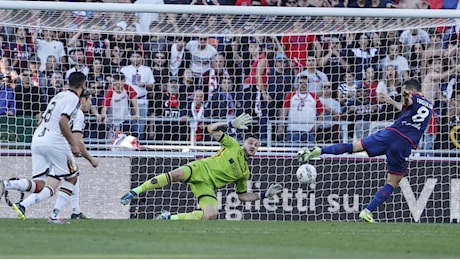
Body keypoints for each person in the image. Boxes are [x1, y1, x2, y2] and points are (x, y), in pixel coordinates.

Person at [298, 78, 433, 223]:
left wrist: (406, 97)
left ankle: (320, 150)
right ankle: (367, 211)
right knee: (393, 181)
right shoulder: (430, 106)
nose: (403, 93)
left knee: (354, 147)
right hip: (404, 143)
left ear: (411, 90)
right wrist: (394, 101)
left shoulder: (412, 97)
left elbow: (408, 103)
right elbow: (408, 109)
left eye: (404, 91)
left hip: (389, 134)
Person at [120, 113, 283, 220]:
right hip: (200, 168)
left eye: (256, 145)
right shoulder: (232, 144)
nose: (253, 146)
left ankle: (169, 218)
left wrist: (263, 195)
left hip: (208, 186)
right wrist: (230, 124)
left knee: (211, 215)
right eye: (250, 142)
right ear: (244, 142)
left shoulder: (244, 172)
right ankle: (135, 191)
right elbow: (210, 129)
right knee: (176, 174)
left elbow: (242, 195)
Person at [11, 71, 86, 224]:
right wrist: (73, 144)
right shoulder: (73, 99)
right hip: (54, 141)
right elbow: (62, 122)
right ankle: (55, 216)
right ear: (82, 85)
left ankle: (8, 186)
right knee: (72, 176)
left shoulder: (58, 96)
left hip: (38, 138)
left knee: (41, 185)